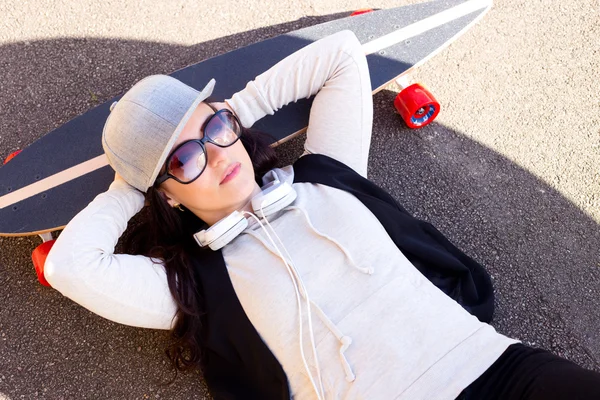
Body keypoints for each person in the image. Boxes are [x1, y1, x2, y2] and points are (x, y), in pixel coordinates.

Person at [45, 30, 600, 400]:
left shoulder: (325, 177)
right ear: (166, 194)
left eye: (215, 129)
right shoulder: (191, 286)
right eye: (186, 160)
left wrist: (231, 111)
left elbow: (340, 54)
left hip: (501, 372)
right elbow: (72, 267)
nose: (216, 155)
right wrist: (130, 182)